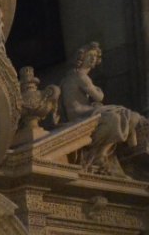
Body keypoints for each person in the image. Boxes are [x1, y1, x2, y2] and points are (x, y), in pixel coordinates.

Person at [59, 42, 149, 178]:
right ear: (81, 57)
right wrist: (98, 91)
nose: (93, 59)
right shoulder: (79, 76)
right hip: (80, 114)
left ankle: (103, 153)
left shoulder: (77, 76)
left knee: (127, 115)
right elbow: (99, 96)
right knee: (116, 117)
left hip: (87, 110)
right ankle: (117, 149)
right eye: (90, 55)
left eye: (95, 56)